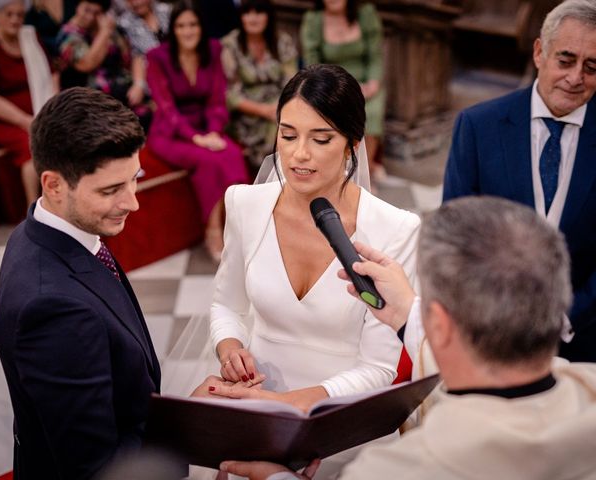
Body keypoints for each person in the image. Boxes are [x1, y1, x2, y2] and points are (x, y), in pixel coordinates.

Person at [218, 196, 596, 480]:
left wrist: (278, 477)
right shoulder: (588, 388)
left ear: (442, 325)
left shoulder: (402, 469)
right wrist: (407, 312)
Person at [207, 64, 420, 414]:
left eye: (320, 139)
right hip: (255, 393)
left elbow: (380, 367)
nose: (298, 154)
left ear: (352, 144)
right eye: (288, 136)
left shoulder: (396, 229)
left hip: (341, 409)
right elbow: (226, 305)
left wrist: (288, 406)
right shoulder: (244, 203)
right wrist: (230, 349)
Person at [0, 87, 160, 479]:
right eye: (110, 190)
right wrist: (193, 428)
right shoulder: (52, 310)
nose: (133, 202)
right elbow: (97, 468)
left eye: (133, 179)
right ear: (53, 185)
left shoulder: (41, 229)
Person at [442, 0, 596, 363]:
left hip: (584, 341)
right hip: (490, 334)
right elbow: (454, 236)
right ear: (540, 52)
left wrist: (566, 319)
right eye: (565, 59)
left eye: (591, 67)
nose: (575, 77)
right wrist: (494, 318)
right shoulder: (478, 127)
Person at [146, 0, 248, 262]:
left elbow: (217, 99)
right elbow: (166, 108)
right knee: (208, 161)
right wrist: (197, 138)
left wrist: (213, 132)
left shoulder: (213, 51)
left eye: (193, 24)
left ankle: (238, 229)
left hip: (206, 127)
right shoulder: (157, 57)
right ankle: (213, 230)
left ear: (201, 27)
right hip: (170, 131)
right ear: (173, 29)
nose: (188, 31)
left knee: (233, 154)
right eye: (181, 26)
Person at [0, 0, 55, 206]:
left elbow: (50, 75)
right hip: (0, 120)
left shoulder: (30, 38)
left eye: (19, 15)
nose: (15, 20)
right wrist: (25, 120)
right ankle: (33, 210)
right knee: (32, 145)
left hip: (36, 112)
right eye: (9, 14)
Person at [301, 0, 385, 183]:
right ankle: (338, 171)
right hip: (330, 85)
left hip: (365, 85)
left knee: (372, 112)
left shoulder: (366, 13)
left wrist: (373, 82)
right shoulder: (313, 20)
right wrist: (333, 87)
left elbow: (375, 55)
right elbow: (312, 61)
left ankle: (365, 172)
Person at [221, 0, 298, 170]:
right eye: (247, 13)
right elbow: (231, 95)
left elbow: (292, 84)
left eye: (259, 13)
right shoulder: (230, 44)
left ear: (268, 16)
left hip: (280, 108)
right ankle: (271, 182)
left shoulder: (282, 41)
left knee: (292, 125)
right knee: (281, 131)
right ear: (241, 17)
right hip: (245, 115)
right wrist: (263, 110)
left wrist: (278, 108)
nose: (253, 19)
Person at [57, 0, 151, 128]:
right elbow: (86, 63)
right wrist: (104, 33)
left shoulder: (112, 29)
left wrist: (138, 83)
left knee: (148, 116)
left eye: (96, 13)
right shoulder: (69, 34)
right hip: (92, 102)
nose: (90, 17)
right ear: (77, 7)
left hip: (123, 94)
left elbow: (132, 55)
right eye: (87, 10)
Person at [117, 0, 170, 111]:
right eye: (130, 0)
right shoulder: (124, 23)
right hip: (151, 82)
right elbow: (138, 54)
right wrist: (139, 84)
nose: (135, 3)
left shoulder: (167, 11)